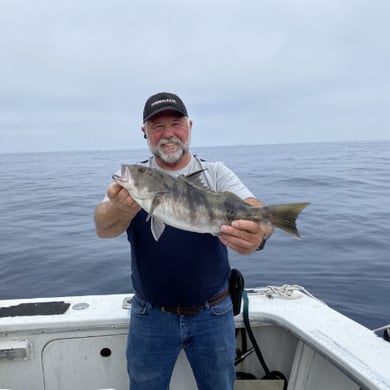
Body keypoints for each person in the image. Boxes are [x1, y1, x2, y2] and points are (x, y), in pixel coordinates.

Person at [93, 92, 273, 390]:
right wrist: (118, 209)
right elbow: (103, 227)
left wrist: (259, 235)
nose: (167, 134)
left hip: (213, 313)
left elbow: (258, 214)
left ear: (189, 126)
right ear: (144, 133)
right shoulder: (134, 179)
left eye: (175, 123)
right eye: (156, 127)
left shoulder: (215, 173)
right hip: (150, 315)